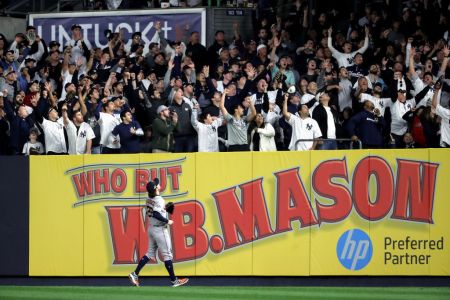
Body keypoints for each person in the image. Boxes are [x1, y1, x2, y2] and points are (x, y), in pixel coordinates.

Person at [129, 178, 189, 288]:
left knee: (150, 253)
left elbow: (156, 211)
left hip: (151, 228)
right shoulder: (159, 200)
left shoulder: (148, 198)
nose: (159, 184)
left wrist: (165, 209)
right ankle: (174, 281)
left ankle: (135, 274)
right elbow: (156, 214)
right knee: (167, 255)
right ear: (156, 189)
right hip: (160, 229)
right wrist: (167, 220)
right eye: (157, 185)